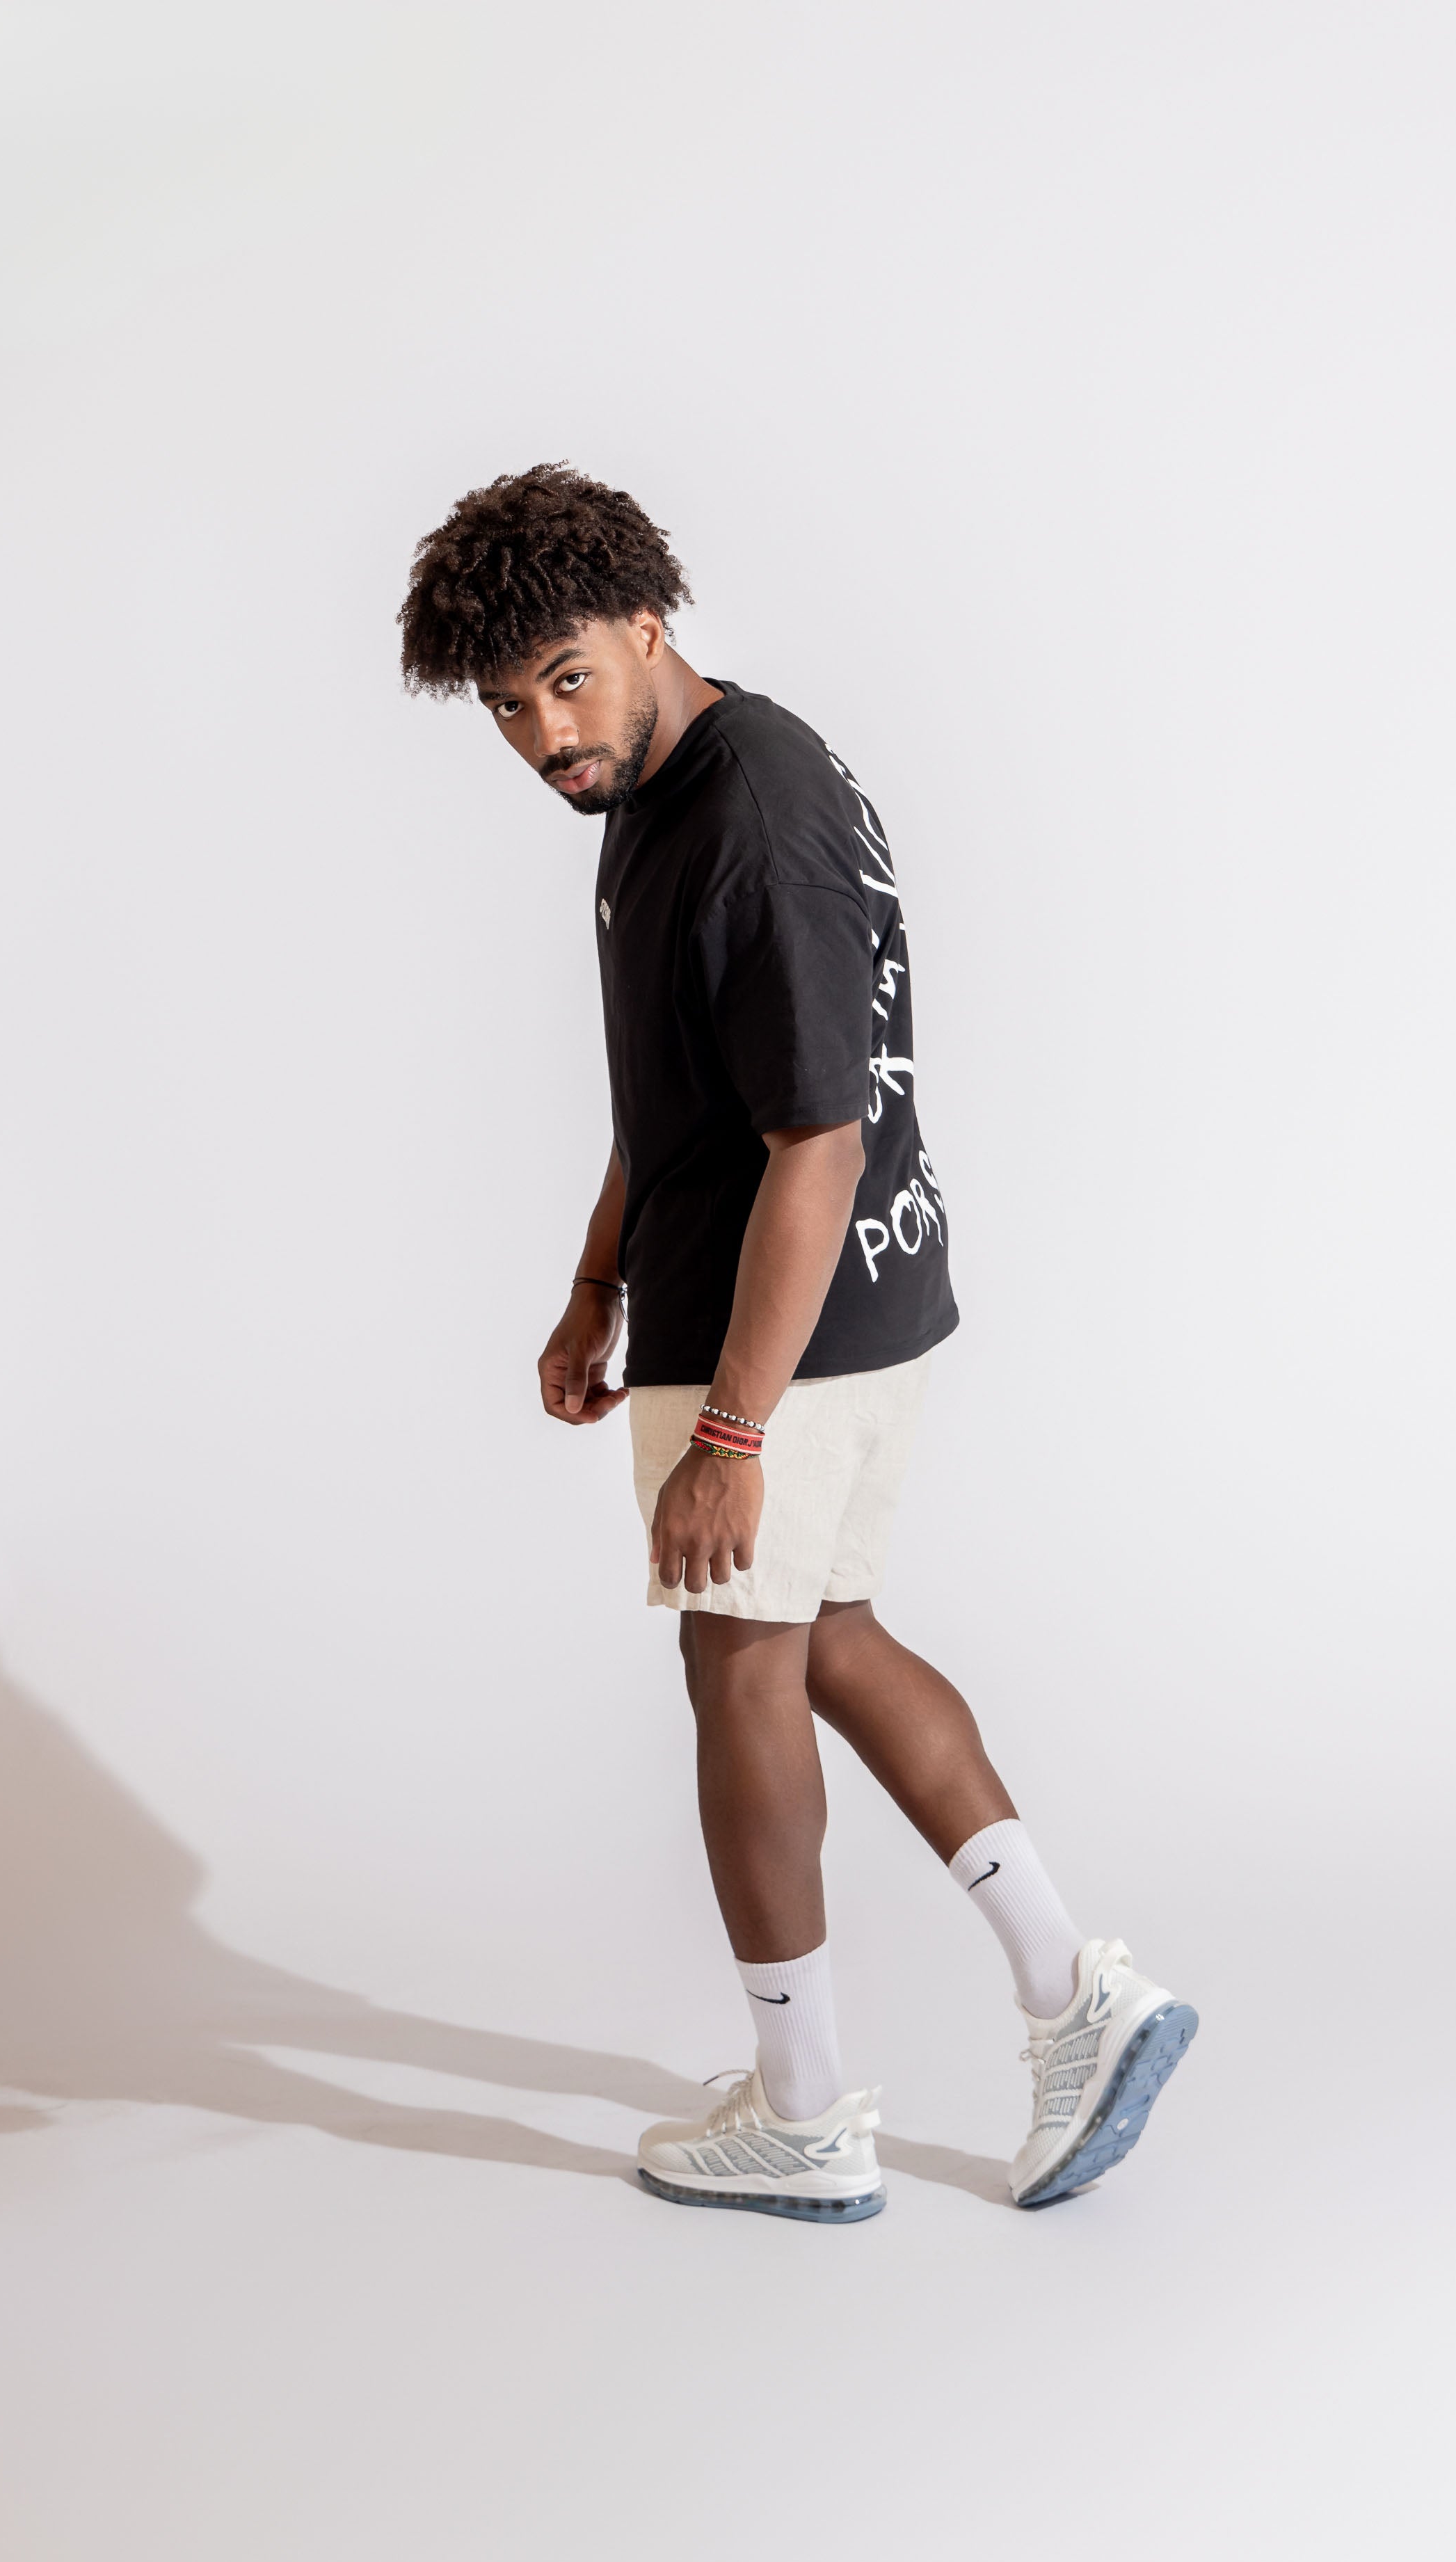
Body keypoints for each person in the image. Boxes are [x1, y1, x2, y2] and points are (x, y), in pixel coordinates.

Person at [399, 463, 1197, 2220]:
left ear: (648, 623)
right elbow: (684, 1089)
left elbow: (813, 1139)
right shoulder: (667, 778)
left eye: (564, 679)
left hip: (784, 1319)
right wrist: (597, 1279)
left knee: (738, 1668)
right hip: (823, 1297)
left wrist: (731, 1431)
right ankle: (1077, 1993)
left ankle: (804, 2111)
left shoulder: (744, 819)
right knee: (822, 1636)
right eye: (507, 706)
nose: (545, 735)